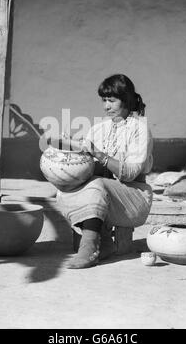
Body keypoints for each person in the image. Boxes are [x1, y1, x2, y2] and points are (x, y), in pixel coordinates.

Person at [56, 74, 153, 269]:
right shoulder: (97, 129)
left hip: (134, 198)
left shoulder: (140, 129)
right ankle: (104, 243)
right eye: (104, 100)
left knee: (95, 185)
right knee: (67, 187)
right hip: (104, 195)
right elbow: (90, 168)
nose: (106, 106)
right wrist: (73, 149)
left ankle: (89, 248)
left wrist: (99, 154)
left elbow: (131, 173)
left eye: (111, 100)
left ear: (125, 100)